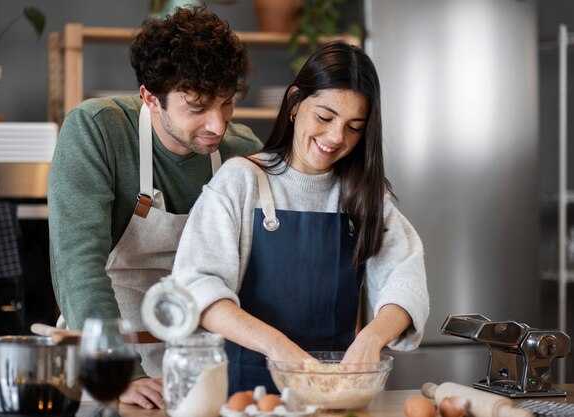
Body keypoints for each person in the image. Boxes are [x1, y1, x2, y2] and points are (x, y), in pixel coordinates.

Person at [171, 41, 429, 393]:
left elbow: (405, 280)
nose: (336, 137)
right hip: (245, 395)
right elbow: (197, 288)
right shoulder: (242, 179)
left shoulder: (364, 195)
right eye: (325, 117)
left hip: (334, 394)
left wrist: (371, 338)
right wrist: (281, 349)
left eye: (354, 126)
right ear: (294, 103)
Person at [47, 5, 263, 409]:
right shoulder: (97, 130)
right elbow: (77, 260)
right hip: (109, 356)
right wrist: (117, 369)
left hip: (203, 365)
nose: (217, 125)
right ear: (151, 98)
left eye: (226, 103)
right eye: (197, 108)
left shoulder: (243, 151)